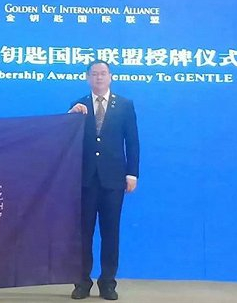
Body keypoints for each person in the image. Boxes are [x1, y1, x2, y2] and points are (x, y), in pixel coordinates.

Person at [68, 61, 139, 300]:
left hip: (113, 180)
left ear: (111, 77)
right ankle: (81, 283)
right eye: (94, 74)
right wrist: (70, 117)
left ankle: (108, 283)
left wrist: (132, 174)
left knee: (110, 233)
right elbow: (67, 138)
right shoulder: (78, 105)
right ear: (87, 78)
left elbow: (132, 142)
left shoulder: (125, 105)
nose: (99, 77)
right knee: (83, 234)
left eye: (103, 73)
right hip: (84, 180)